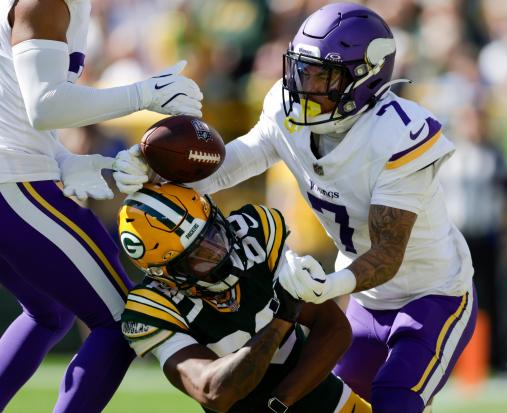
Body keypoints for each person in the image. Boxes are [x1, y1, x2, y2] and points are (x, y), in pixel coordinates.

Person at [114, 3, 477, 412]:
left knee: (395, 399)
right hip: (365, 298)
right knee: (347, 402)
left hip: (432, 293)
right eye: (303, 69)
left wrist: (328, 285)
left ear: (365, 77)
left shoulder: (399, 135)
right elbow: (229, 166)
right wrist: (154, 170)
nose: (306, 84)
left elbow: (389, 254)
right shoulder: (288, 111)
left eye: (324, 74)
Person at [0, 0, 202, 411]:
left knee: (50, 311)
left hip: (15, 173)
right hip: (11, 181)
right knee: (125, 320)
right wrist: (146, 93)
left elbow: (18, 106)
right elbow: (45, 105)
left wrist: (64, 160)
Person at [118, 182, 370, 413]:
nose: (217, 253)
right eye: (198, 257)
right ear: (166, 274)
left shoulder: (254, 236)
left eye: (213, 235)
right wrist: (280, 321)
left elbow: (333, 327)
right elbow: (215, 391)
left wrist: (283, 400)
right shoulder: (152, 308)